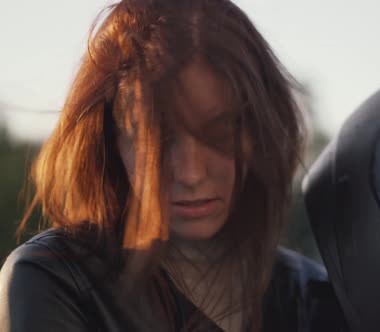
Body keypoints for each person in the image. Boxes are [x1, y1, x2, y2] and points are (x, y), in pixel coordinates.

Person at [0, 0, 344, 331]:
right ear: (111, 140)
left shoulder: (311, 295)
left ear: (260, 131)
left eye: (219, 131)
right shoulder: (58, 281)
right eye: (156, 139)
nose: (192, 173)